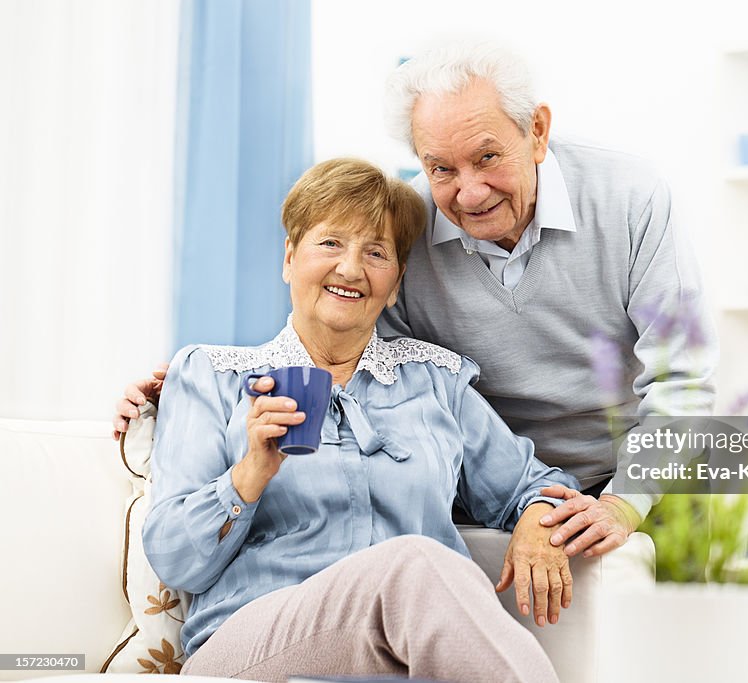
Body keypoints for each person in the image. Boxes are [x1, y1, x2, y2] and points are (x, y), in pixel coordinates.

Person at [116, 41, 717, 561]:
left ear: (536, 131)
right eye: (440, 168)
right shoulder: (406, 230)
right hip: (480, 488)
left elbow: (682, 382)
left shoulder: (630, 199)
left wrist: (621, 503)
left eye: (487, 157)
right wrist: (197, 393)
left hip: (625, 473)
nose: (469, 191)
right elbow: (355, 352)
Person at [142, 157, 577, 682]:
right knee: (414, 564)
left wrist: (534, 517)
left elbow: (532, 487)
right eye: (330, 244)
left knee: (413, 573)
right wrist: (249, 473)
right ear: (289, 258)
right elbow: (174, 558)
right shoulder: (212, 376)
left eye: (376, 252)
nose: (351, 268)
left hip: (395, 653)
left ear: (395, 284)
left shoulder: (435, 381)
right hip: (253, 645)